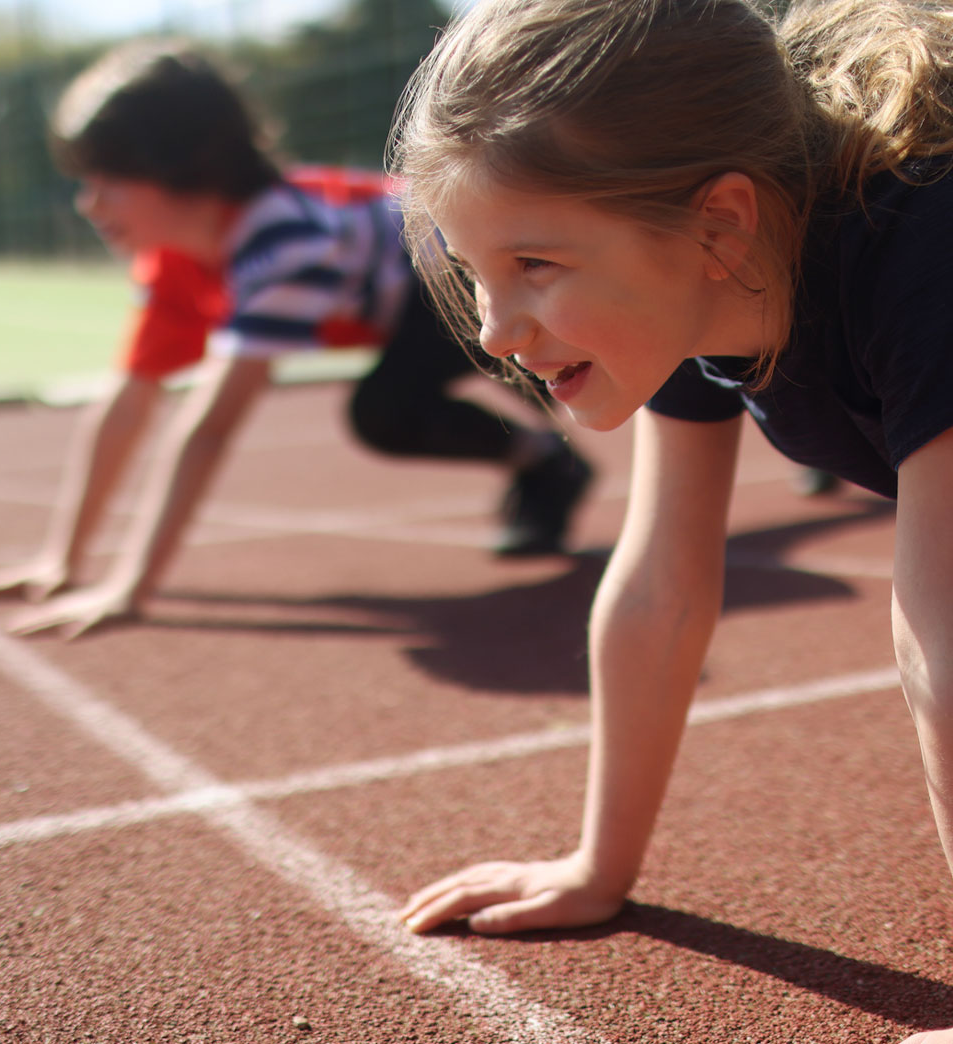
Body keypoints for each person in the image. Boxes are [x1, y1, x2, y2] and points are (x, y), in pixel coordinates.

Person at [388, 1, 953, 1041]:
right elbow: (661, 587)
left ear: (718, 223)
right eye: (472, 272)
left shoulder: (921, 250)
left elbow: (942, 646)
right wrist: (598, 866)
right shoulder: (699, 285)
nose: (495, 331)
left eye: (535, 265)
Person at [0, 39, 592, 635]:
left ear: (179, 168)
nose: (88, 203)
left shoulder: (279, 244)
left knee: (399, 407)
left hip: (451, 270)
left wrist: (131, 587)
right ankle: (547, 458)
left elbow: (208, 430)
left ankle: (552, 456)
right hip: (405, 295)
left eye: (107, 179)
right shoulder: (174, 260)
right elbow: (128, 404)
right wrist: (63, 561)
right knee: (407, 404)